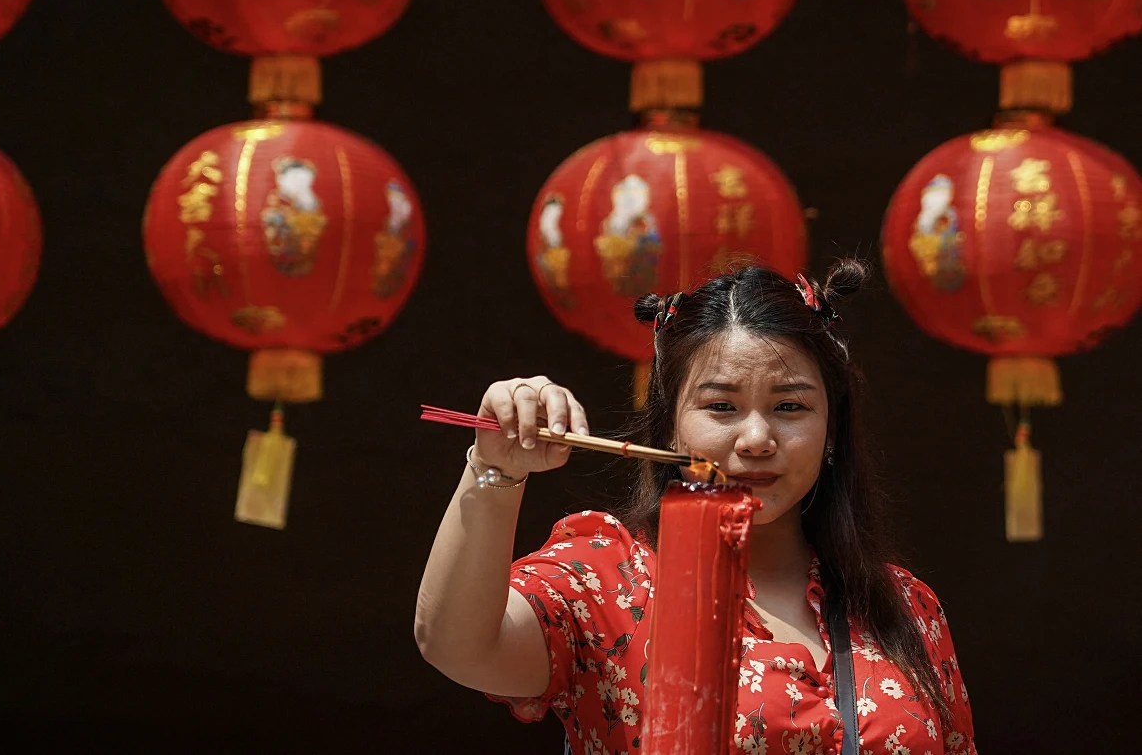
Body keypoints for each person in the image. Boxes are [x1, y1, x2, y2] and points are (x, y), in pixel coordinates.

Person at [415, 260, 976, 755]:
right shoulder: (605, 580)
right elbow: (458, 644)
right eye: (721, 406)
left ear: (831, 429)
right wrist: (497, 469)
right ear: (672, 426)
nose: (756, 437)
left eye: (789, 405)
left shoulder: (904, 605)